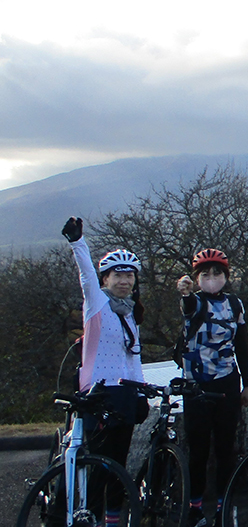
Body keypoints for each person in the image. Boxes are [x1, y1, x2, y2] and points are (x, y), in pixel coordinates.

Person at [62, 216, 145, 527]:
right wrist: (77, 242)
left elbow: (133, 357)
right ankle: (90, 519)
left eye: (128, 276)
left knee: (117, 466)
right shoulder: (96, 304)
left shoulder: (131, 314)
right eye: (116, 275)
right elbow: (85, 276)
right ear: (106, 279)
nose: (123, 281)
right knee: (97, 466)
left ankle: (112, 521)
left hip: (124, 394)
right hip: (97, 394)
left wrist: (141, 391)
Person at [176, 248, 248, 527]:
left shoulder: (235, 304)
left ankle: (223, 504)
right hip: (195, 384)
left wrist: (246, 383)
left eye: (217, 273)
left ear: (226, 276)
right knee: (197, 449)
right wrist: (184, 292)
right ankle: (195, 507)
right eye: (204, 274)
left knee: (225, 447)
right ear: (196, 279)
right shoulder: (194, 302)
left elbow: (242, 346)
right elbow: (187, 308)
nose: (211, 278)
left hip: (227, 382)